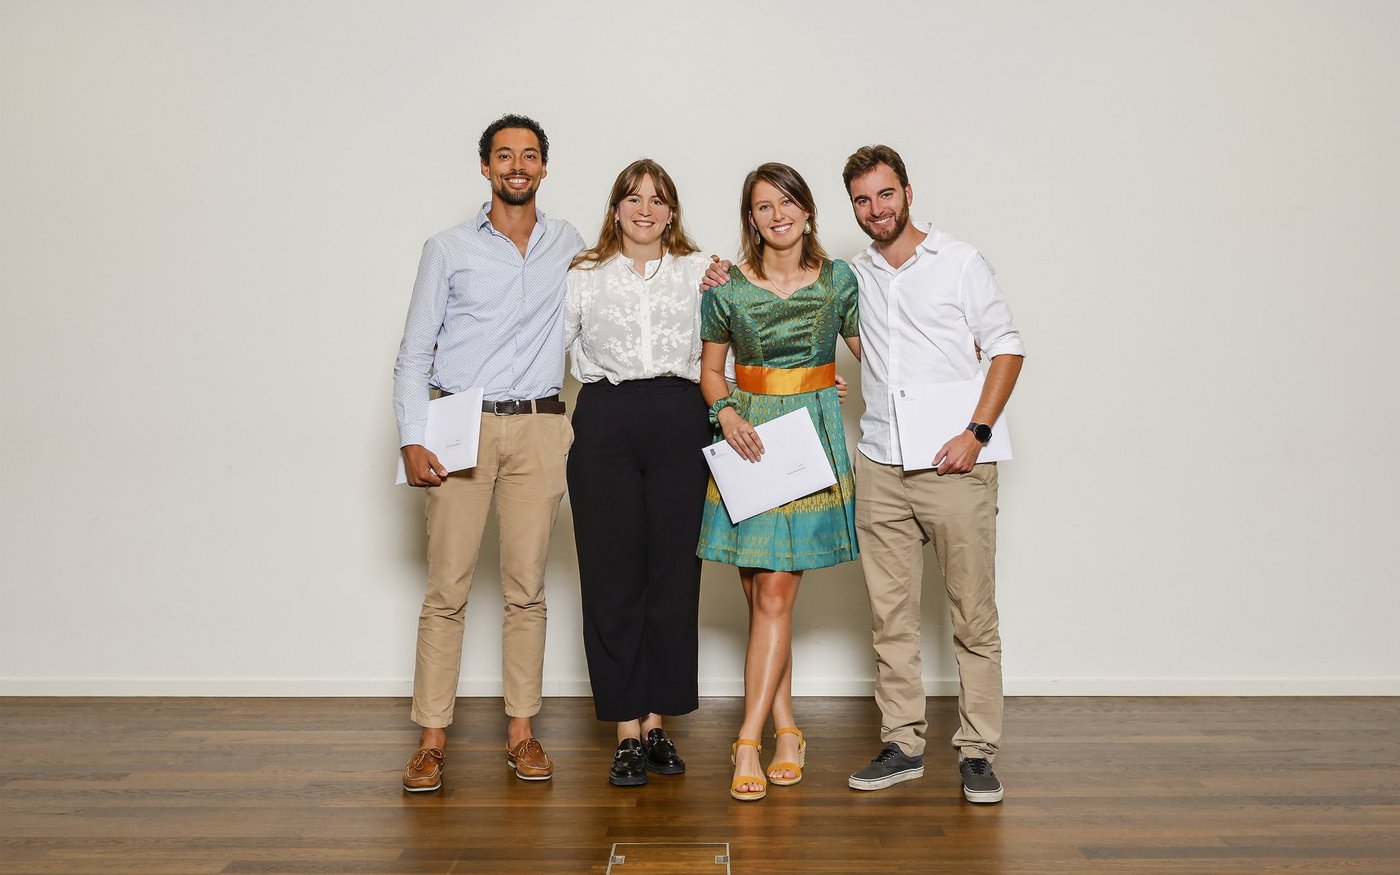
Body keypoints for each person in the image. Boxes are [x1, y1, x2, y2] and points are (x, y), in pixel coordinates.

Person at [393, 114, 583, 792]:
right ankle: (431, 740)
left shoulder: (571, 245)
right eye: (505, 155)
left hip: (539, 425)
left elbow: (628, 289)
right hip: (458, 425)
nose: (517, 166)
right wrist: (411, 435)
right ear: (485, 167)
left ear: (544, 167)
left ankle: (522, 733)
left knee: (527, 589)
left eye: (529, 155)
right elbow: (415, 351)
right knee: (447, 589)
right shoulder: (447, 248)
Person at [839, 145, 1025, 803]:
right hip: (880, 464)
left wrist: (976, 433)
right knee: (890, 619)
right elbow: (850, 332)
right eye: (862, 200)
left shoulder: (960, 261)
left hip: (954, 468)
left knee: (973, 615)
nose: (875, 209)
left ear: (908, 192)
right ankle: (902, 744)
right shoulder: (853, 274)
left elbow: (1006, 346)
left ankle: (978, 752)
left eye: (885, 194)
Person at [698, 162, 862, 802]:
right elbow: (711, 371)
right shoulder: (726, 288)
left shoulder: (839, 280)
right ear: (751, 218)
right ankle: (788, 728)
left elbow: (877, 349)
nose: (778, 214)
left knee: (773, 592)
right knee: (764, 596)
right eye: (764, 206)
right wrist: (726, 413)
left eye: (787, 201)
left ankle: (747, 740)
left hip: (810, 440)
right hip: (750, 439)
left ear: (808, 209)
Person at [563, 159, 713, 787]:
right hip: (606, 418)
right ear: (616, 208)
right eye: (633, 198)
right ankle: (626, 730)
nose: (645, 209)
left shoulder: (702, 271)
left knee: (674, 578)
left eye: (657, 199)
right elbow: (547, 348)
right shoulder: (583, 274)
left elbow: (736, 344)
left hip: (682, 417)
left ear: (671, 211)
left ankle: (656, 725)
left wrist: (807, 382)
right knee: (612, 576)